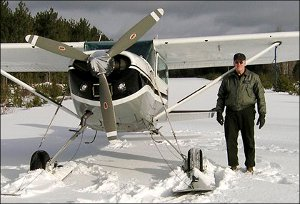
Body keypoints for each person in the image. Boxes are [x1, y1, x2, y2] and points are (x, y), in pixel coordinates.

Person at [215, 53, 266, 173]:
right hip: (231, 112)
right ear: (233, 63)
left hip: (247, 111)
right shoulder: (227, 78)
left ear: (245, 63)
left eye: (241, 62)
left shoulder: (253, 77)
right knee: (230, 140)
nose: (239, 64)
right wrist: (219, 111)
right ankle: (233, 165)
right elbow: (221, 96)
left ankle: (250, 165)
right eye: (236, 62)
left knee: (248, 140)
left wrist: (262, 113)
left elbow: (260, 96)